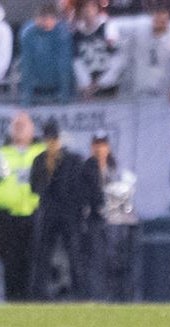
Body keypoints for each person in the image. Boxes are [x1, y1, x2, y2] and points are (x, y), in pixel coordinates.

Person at [29, 120, 87, 300]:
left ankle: (81, 294)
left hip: (68, 213)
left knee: (74, 254)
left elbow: (78, 187)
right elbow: (34, 187)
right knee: (43, 255)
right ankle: (40, 296)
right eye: (48, 138)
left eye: (53, 138)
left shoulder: (73, 159)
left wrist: (76, 209)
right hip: (49, 212)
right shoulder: (39, 160)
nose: (51, 142)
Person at [79, 131, 138, 301]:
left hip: (116, 221)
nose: (100, 148)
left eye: (103, 144)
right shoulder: (86, 169)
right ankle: (97, 297)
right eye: (97, 144)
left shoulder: (116, 168)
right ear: (92, 147)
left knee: (115, 260)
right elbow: (86, 195)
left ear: (108, 147)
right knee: (96, 261)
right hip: (95, 221)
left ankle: (116, 297)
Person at [0, 112, 45, 301]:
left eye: (23, 124)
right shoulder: (2, 153)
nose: (19, 127)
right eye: (16, 124)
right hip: (7, 216)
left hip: (35, 213)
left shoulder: (41, 152)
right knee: (11, 262)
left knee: (34, 261)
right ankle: (13, 301)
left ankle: (30, 302)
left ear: (32, 129)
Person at [128, 4, 170, 103]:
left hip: (166, 98)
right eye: (156, 13)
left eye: (162, 13)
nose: (158, 17)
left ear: (169, 17)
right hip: (138, 94)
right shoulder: (140, 31)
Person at [19, 3, 74, 105]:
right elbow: (27, 64)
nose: (47, 22)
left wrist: (64, 93)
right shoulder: (27, 33)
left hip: (59, 87)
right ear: (38, 18)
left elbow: (64, 64)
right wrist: (27, 94)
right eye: (44, 19)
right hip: (36, 88)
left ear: (56, 19)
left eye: (51, 19)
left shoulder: (63, 33)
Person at [71, 0, 125, 99]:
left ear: (97, 10)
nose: (88, 12)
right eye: (85, 9)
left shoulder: (108, 28)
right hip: (87, 89)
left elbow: (117, 58)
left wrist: (102, 82)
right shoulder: (76, 35)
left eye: (91, 8)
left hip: (109, 86)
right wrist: (87, 83)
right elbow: (76, 62)